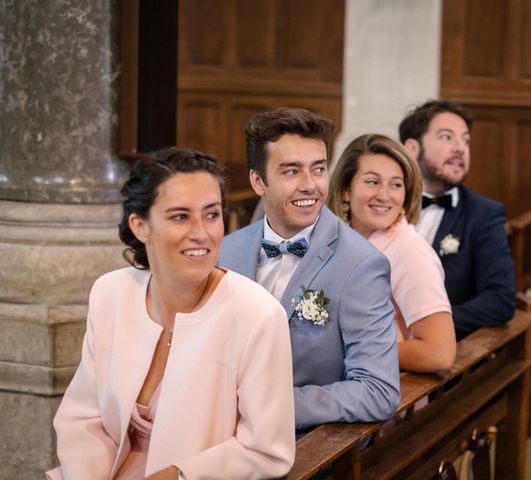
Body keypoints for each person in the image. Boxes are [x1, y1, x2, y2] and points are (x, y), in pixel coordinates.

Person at [46, 148, 295, 480]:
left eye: (212, 215)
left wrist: (179, 475)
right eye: (180, 216)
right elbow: (84, 419)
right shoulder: (111, 294)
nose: (201, 233)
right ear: (140, 226)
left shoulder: (258, 316)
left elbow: (266, 450)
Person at [219, 107, 400, 430]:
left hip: (305, 441)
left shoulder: (361, 265)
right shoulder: (225, 251)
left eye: (318, 169)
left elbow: (378, 390)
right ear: (258, 181)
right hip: (215, 426)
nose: (310, 185)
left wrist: (268, 407)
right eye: (291, 172)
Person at [328, 133, 456, 373]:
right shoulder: (335, 239)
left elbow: (438, 353)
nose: (384, 195)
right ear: (346, 190)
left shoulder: (410, 252)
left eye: (396, 184)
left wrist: (351, 354)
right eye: (372, 182)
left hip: (387, 391)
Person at [399, 99, 516, 339]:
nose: (460, 148)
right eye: (446, 137)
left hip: (441, 352)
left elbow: (500, 298)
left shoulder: (483, 214)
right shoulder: (386, 203)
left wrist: (428, 329)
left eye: (465, 140)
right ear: (412, 148)